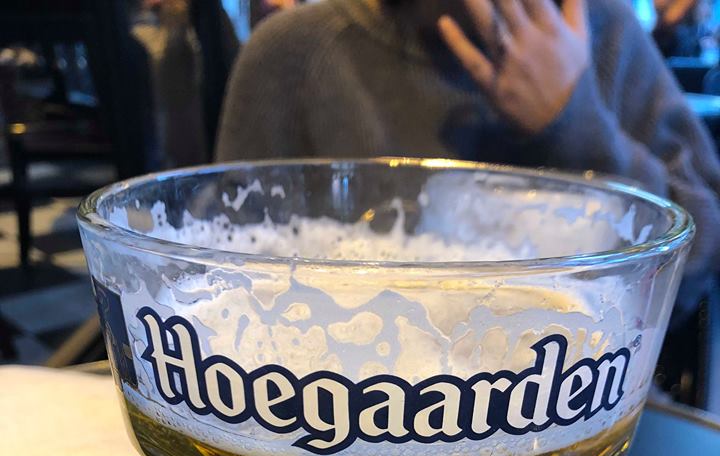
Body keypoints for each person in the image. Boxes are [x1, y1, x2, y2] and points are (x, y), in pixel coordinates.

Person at [216, 0, 720, 313]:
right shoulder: (295, 53)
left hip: (582, 397)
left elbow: (701, 256)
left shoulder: (605, 29)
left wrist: (575, 124)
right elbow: (221, 285)